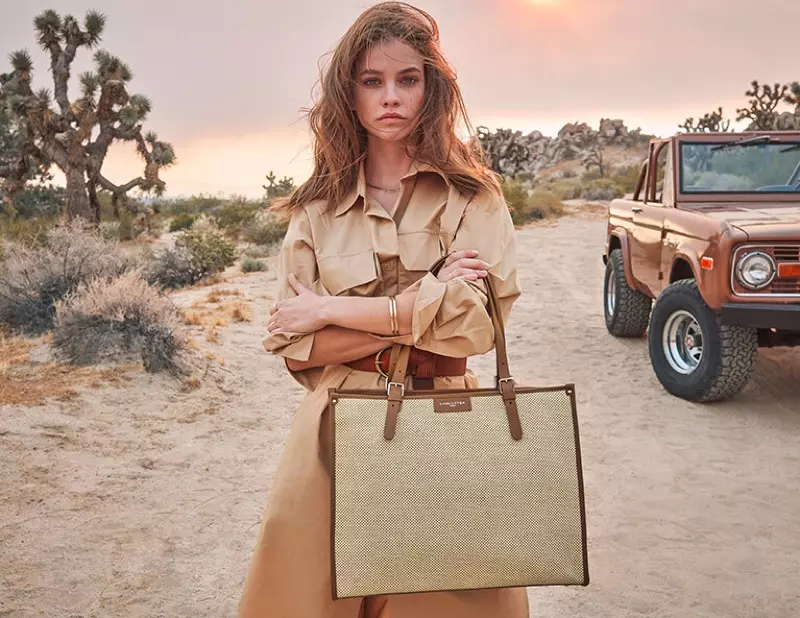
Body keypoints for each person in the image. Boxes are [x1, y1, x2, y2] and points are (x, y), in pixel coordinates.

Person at [238, 2, 526, 617]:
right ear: (350, 94)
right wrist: (424, 307)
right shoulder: (315, 211)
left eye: (408, 79)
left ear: (432, 88)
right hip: (332, 434)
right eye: (372, 81)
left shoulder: (473, 196)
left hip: (448, 426)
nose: (390, 96)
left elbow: (472, 330)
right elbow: (297, 351)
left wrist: (331, 311)